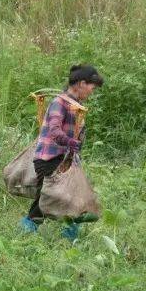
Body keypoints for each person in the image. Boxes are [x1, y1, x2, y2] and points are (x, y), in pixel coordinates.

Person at [22, 65, 103, 240]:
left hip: (63, 159)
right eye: (92, 88)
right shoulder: (59, 103)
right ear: (81, 83)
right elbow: (54, 130)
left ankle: (58, 235)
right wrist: (70, 142)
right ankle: (30, 233)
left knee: (56, 198)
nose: (92, 92)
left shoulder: (76, 106)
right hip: (49, 159)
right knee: (57, 199)